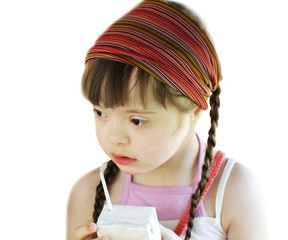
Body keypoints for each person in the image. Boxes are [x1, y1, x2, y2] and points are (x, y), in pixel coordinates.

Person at [67, 0, 268, 239]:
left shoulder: (236, 191)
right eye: (101, 112)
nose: (114, 138)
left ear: (194, 109)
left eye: (137, 121)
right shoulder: (88, 194)